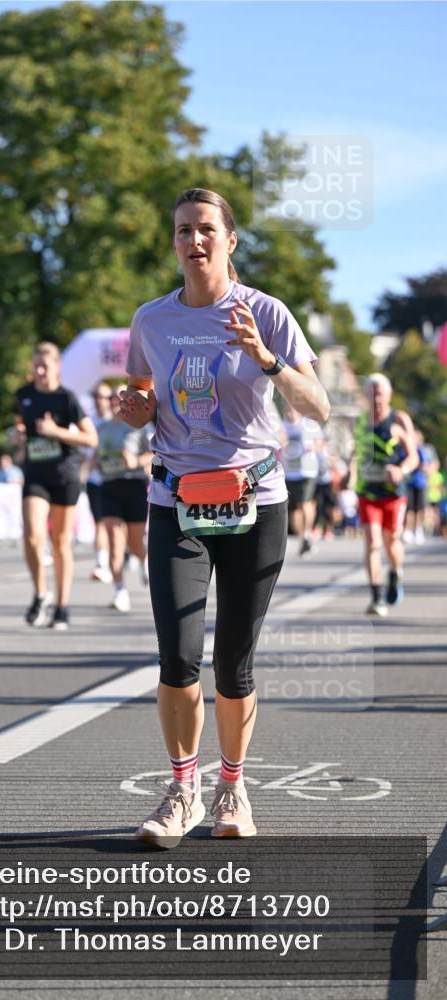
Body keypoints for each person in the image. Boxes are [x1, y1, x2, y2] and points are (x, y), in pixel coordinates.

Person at [119, 187, 329, 847]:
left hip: (253, 504)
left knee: (231, 662)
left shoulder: (265, 312)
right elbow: (146, 397)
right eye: (183, 230)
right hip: (176, 501)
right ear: (174, 241)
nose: (194, 241)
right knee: (177, 657)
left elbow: (316, 407)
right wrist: (135, 408)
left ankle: (231, 786)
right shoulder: (150, 319)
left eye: (206, 229)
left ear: (229, 241)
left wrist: (266, 359)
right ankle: (181, 789)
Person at [14, 342, 98, 630]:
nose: (39, 371)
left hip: (64, 475)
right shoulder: (23, 395)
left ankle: (62, 606)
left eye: (45, 366)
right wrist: (19, 436)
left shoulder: (67, 399)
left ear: (57, 368)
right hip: (36, 475)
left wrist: (56, 432)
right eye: (35, 365)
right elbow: (22, 427)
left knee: (60, 543)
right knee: (33, 535)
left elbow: (91, 439)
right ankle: (40, 593)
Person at [354, 373, 418, 617]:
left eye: (380, 394)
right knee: (372, 542)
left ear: (389, 395)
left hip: (393, 493)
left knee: (392, 543)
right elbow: (356, 454)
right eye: (372, 395)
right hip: (367, 492)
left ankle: (395, 572)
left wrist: (401, 470)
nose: (376, 400)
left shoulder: (399, 419)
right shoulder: (360, 422)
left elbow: (413, 456)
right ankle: (377, 596)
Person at [96, 385, 152, 612]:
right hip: (109, 486)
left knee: (135, 542)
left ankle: (144, 559)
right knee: (114, 540)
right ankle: (120, 591)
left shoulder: (139, 427)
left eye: (120, 397)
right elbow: (95, 454)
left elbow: (155, 452)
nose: (115, 401)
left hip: (134, 484)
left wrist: (136, 462)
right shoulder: (102, 428)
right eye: (112, 397)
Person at [281, 404, 322, 554]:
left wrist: (313, 447)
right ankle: (302, 537)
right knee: (293, 508)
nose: (289, 413)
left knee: (305, 502)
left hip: (307, 471)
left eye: (292, 409)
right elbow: (279, 442)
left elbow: (320, 442)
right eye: (287, 410)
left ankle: (307, 533)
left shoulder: (310, 425)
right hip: (288, 472)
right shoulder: (282, 425)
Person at [86, 382, 114, 584]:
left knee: (119, 527)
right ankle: (102, 565)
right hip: (95, 480)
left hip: (116, 480)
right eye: (96, 396)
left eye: (103, 396)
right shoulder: (88, 421)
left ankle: (134, 557)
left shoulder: (119, 421)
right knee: (100, 523)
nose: (99, 400)